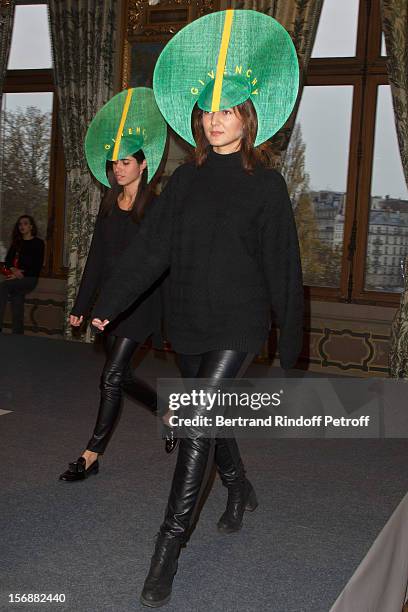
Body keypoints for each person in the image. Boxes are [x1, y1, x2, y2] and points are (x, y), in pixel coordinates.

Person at [92, 10, 304, 607]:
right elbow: (149, 251)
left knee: (194, 422)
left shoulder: (266, 186)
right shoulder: (182, 183)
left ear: (246, 119)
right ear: (198, 119)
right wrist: (110, 304)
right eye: (208, 112)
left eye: (227, 111)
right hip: (186, 320)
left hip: (239, 321)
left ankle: (168, 548)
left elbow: (284, 265)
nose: (216, 121)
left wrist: (289, 339)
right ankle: (237, 487)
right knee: (208, 419)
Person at [59, 88, 177, 484]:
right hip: (110, 303)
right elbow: (96, 260)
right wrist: (81, 303)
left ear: (144, 165)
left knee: (109, 377)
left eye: (125, 162)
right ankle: (169, 413)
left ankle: (91, 455)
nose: (117, 169)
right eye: (114, 163)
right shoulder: (108, 206)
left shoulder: (155, 209)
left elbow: (158, 266)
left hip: (140, 304)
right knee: (122, 375)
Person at [0, 215, 44, 334]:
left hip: (30, 279)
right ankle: (18, 335)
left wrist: (19, 274)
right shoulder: (17, 243)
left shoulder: (38, 243)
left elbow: (36, 267)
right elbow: (8, 261)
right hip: (17, 278)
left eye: (25, 223)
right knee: (17, 300)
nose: (22, 226)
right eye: (20, 224)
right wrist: (15, 270)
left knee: (3, 286)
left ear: (31, 226)